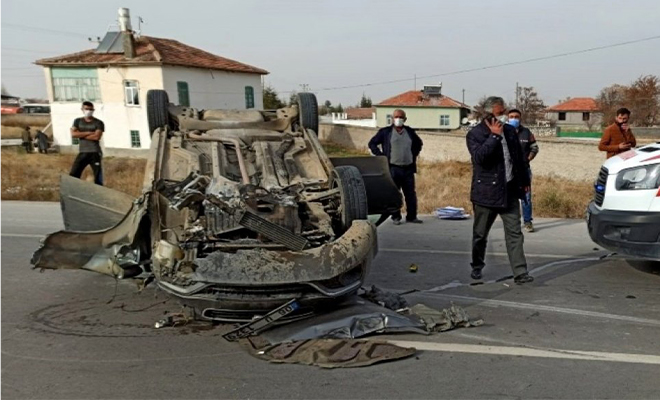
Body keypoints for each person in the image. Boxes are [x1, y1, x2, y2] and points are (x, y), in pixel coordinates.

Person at [466, 97, 533, 284]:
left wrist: (524, 181)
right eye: (500, 112)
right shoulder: (476, 134)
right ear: (489, 114)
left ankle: (520, 272)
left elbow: (519, 158)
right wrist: (494, 137)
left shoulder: (511, 132)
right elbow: (480, 158)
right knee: (480, 234)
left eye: (504, 111)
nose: (504, 116)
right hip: (486, 193)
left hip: (510, 190)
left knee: (514, 233)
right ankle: (477, 265)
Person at [368, 109, 423, 225]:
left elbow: (419, 144)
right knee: (394, 193)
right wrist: (381, 156)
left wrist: (413, 155)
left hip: (408, 168)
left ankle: (412, 216)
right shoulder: (386, 132)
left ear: (405, 119)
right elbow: (372, 143)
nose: (398, 119)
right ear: (393, 119)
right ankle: (396, 216)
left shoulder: (409, 132)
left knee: (410, 194)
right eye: (396, 117)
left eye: (401, 117)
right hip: (393, 168)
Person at [507, 109, 539, 233]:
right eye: (511, 116)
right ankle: (513, 223)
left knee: (526, 197)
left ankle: (527, 222)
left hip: (524, 171)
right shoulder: (503, 132)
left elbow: (534, 148)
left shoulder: (526, 132)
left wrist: (527, 159)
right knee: (509, 197)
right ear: (507, 118)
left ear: (520, 118)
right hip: (508, 171)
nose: (514, 119)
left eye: (516, 117)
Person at [70, 101, 104, 185]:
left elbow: (97, 137)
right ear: (82, 109)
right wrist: (90, 133)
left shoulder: (98, 123)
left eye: (90, 109)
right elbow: (73, 134)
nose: (88, 111)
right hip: (83, 152)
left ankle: (99, 192)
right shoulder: (77, 121)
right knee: (74, 174)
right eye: (86, 109)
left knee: (98, 176)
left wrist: (80, 134)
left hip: (94, 152)